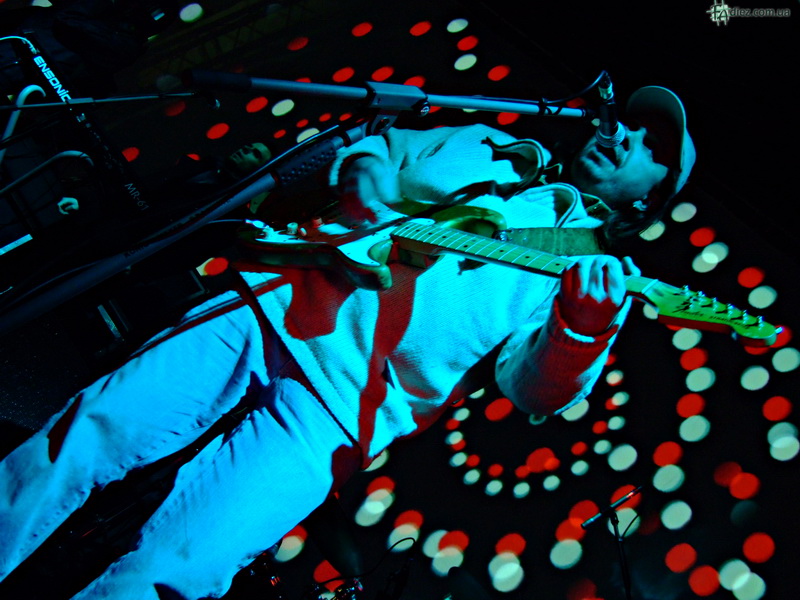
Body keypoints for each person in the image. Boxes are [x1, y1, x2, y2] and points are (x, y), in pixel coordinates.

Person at [0, 85, 695, 599]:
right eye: (629, 122)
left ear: (648, 200)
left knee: (180, 568)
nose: (625, 136)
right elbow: (378, 148)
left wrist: (579, 329)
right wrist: (364, 175)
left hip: (340, 414)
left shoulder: (597, 277)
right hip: (272, 307)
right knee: (84, 439)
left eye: (651, 147)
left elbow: (531, 389)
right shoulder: (487, 144)